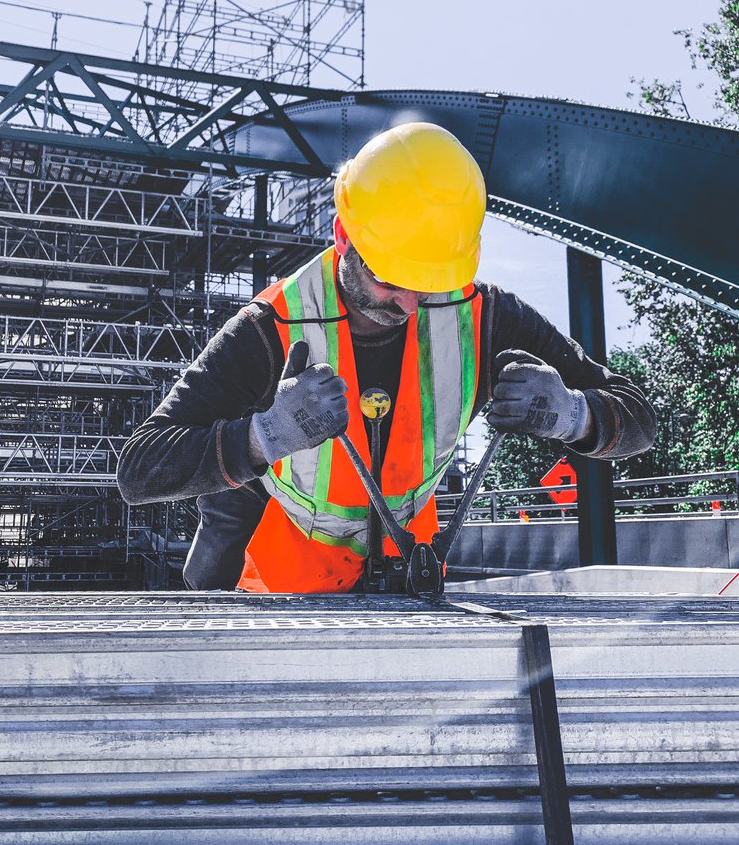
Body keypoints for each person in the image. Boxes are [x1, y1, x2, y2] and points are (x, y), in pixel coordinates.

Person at [118, 123, 656, 593]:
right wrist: (266, 435)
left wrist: (572, 414)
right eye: (390, 279)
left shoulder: (483, 315)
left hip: (406, 569)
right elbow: (139, 469)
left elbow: (639, 417)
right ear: (343, 236)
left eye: (430, 282)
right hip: (279, 576)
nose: (409, 302)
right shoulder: (272, 327)